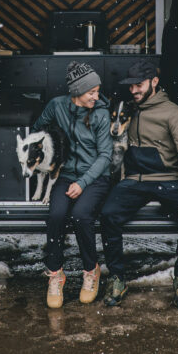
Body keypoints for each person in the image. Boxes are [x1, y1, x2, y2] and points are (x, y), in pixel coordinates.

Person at [100, 60, 178, 309]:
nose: (134, 90)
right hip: (135, 181)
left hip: (169, 180)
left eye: (139, 85)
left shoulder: (172, 113)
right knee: (108, 215)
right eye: (131, 86)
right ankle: (117, 278)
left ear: (154, 82)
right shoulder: (128, 109)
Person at [32, 61, 113, 308]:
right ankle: (55, 274)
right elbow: (39, 129)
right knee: (56, 215)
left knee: (81, 216)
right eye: (92, 92)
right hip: (66, 175)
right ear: (77, 91)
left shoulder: (100, 113)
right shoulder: (57, 106)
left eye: (97, 91)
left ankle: (91, 270)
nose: (96, 97)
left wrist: (83, 181)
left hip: (95, 178)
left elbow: (105, 156)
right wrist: (48, 147)